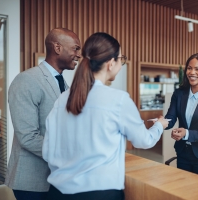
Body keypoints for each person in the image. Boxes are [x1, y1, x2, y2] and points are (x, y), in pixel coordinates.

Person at [42, 32, 169, 200]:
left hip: (57, 193)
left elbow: (47, 151)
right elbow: (143, 141)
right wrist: (160, 125)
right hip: (99, 194)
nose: (121, 64)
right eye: (121, 59)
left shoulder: (62, 99)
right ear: (111, 63)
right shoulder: (118, 99)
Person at [5, 28, 81, 200]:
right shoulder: (26, 80)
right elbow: (28, 137)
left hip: (56, 178)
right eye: (76, 48)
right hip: (32, 181)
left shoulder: (63, 85)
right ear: (57, 48)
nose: (78, 54)